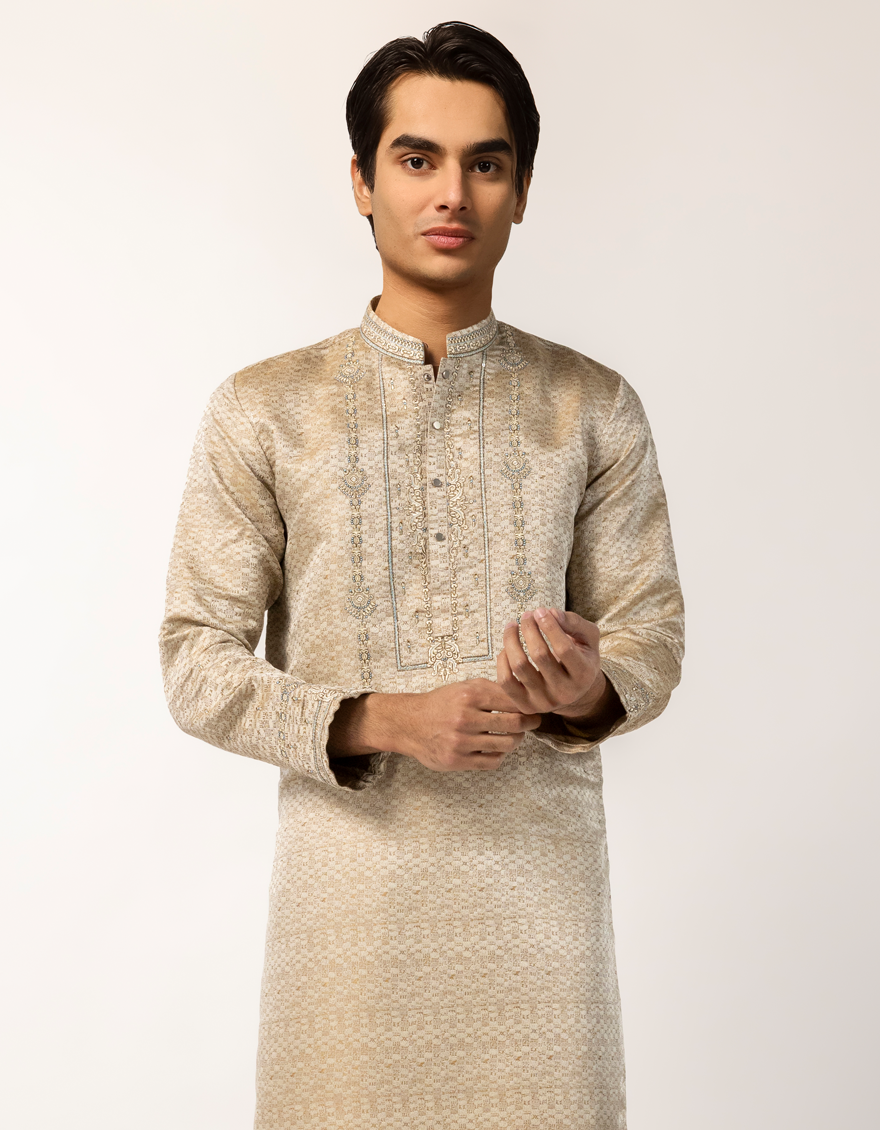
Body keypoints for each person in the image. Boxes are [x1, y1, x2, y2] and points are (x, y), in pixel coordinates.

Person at [160, 20, 684, 1129]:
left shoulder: (592, 406)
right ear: (362, 180)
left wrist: (583, 687)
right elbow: (195, 661)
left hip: (540, 920)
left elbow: (649, 635)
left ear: (521, 191)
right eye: (417, 158)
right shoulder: (265, 409)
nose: (452, 192)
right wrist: (379, 718)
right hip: (345, 924)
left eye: (485, 163)